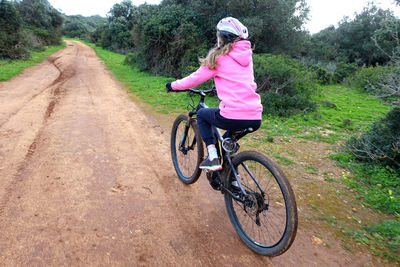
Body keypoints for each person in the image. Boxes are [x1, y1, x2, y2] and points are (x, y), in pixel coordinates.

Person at [166, 17, 263, 171]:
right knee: (226, 144)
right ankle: (231, 178)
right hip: (255, 116)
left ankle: (213, 157)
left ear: (222, 37)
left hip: (233, 115)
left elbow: (194, 79)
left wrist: (173, 86)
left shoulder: (219, 58)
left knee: (203, 114)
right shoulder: (247, 58)